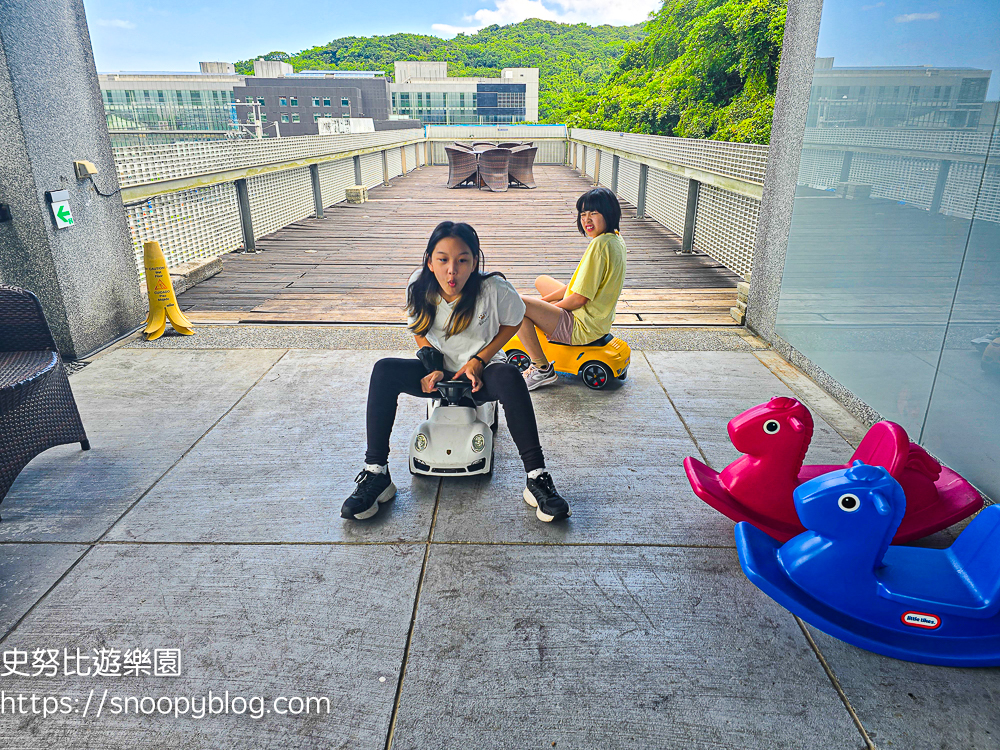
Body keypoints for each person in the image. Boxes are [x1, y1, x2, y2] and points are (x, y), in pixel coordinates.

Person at [341, 221, 572, 523]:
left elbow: (515, 320)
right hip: (440, 374)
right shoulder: (418, 286)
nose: (453, 271)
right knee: (384, 370)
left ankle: (536, 477)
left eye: (463, 260)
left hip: (482, 374)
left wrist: (481, 359)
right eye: (443, 260)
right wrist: (432, 367)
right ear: (429, 261)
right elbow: (419, 329)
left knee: (511, 377)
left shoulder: (495, 289)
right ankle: (377, 473)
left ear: (475, 262)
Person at [517, 187, 627, 390]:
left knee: (518, 308)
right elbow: (576, 286)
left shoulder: (600, 246)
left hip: (582, 325)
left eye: (594, 213)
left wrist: (552, 309)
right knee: (542, 281)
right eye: (583, 214)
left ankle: (541, 368)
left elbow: (579, 299)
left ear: (609, 213)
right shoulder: (615, 238)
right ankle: (541, 310)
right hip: (598, 319)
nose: (587, 220)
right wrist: (543, 304)